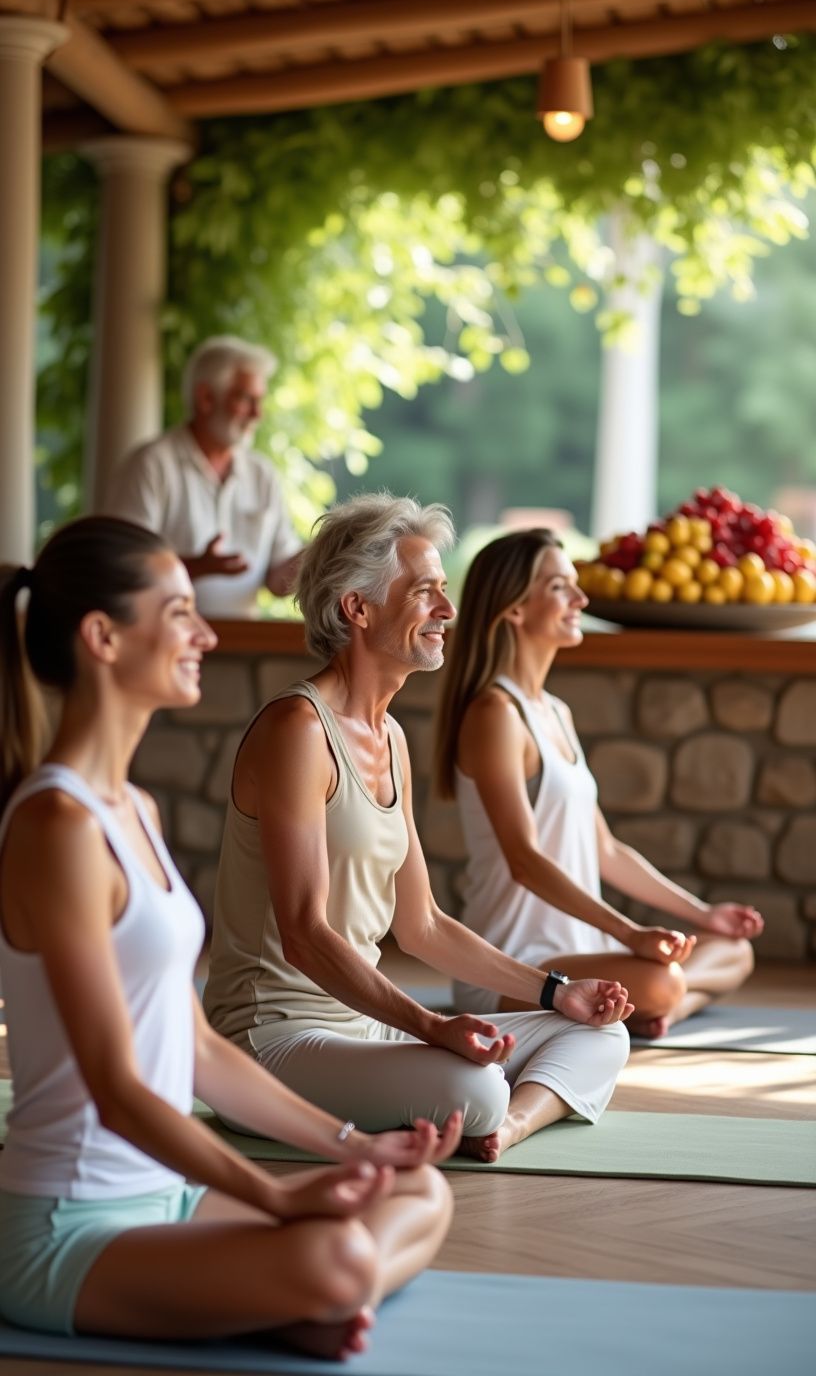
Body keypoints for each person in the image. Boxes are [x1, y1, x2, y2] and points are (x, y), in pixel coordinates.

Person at [0, 516, 458, 1354]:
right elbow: (115, 1086)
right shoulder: (55, 826)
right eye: (179, 612)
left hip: (168, 1197)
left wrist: (353, 1147)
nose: (206, 631)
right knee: (333, 1251)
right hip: (68, 1229)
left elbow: (200, 1051)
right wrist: (279, 1198)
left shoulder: (132, 809)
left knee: (420, 1192)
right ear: (103, 638)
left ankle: (294, 1303)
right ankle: (306, 1295)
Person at [204, 495, 631, 1166]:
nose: (448, 611)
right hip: (272, 1041)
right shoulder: (297, 731)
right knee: (473, 1085)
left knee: (599, 1035)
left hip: (361, 1029)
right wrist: (432, 1027)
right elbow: (305, 935)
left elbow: (423, 924)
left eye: (444, 590)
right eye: (426, 591)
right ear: (357, 607)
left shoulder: (392, 737)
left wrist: (556, 991)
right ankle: (486, 1110)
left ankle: (507, 1128)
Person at [433, 528, 763, 1039]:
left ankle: (664, 1010)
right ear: (515, 608)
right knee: (660, 979)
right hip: (515, 963)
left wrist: (702, 913)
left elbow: (605, 850)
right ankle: (660, 1001)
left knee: (733, 949)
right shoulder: (495, 713)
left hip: (581, 954)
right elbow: (524, 860)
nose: (581, 599)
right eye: (561, 587)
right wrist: (629, 934)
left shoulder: (555, 713)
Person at [104, 336, 302, 617]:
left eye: (260, 400)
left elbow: (278, 581)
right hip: (165, 645)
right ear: (206, 398)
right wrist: (197, 566)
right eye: (246, 399)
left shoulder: (262, 473)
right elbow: (120, 568)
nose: (258, 414)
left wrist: (322, 555)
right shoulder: (151, 464)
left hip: (247, 645)